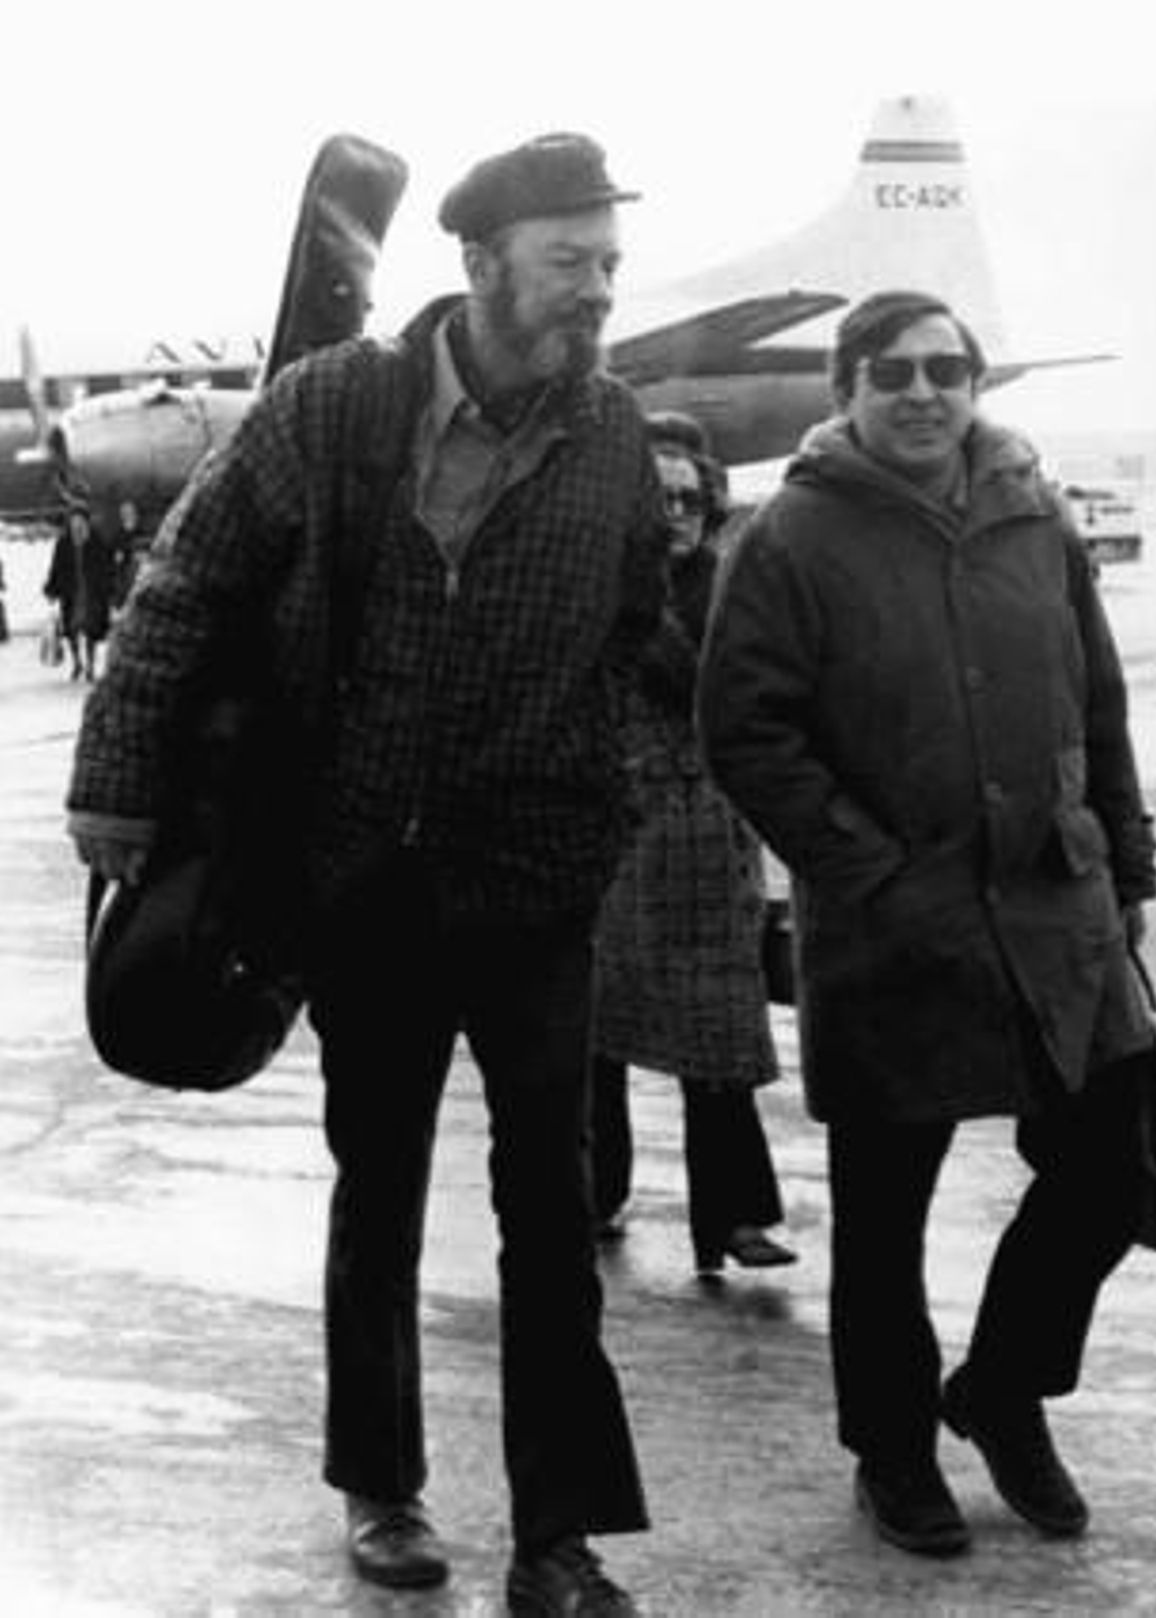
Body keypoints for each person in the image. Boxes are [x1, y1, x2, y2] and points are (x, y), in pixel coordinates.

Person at [66, 132, 666, 1616]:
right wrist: (118, 786)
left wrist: (613, 803)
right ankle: (382, 1488)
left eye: (608, 262)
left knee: (552, 1201)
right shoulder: (333, 408)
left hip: (533, 885)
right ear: (480, 265)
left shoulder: (612, 440)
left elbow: (646, 651)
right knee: (379, 1187)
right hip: (364, 887)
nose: (595, 290)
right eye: (568, 261)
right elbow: (183, 588)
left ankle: (560, 1534)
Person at [698, 290, 1156, 1558]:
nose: (921, 391)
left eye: (945, 369)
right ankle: (893, 1453)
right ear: (846, 386)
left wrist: (1126, 858)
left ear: (975, 383)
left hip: (1056, 911)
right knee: (887, 1213)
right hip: (896, 925)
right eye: (891, 370)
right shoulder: (791, 535)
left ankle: (1003, 1389)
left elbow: (1099, 700)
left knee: (1110, 1169)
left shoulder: (1034, 514)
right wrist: (865, 866)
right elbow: (743, 727)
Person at [590, 412, 796, 1276]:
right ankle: (593, 1192)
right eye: (657, 497)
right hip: (615, 837)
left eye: (688, 498)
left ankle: (737, 1218)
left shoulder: (736, 593)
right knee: (595, 1036)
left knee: (722, 1037)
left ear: (711, 508)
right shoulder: (594, 591)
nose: (675, 512)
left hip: (711, 841)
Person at [43, 502, 114, 680]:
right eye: (73, 520)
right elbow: (56, 567)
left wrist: (109, 588)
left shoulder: (97, 540)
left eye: (79, 519)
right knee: (72, 631)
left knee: (91, 630)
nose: (76, 523)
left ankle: (90, 665)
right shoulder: (64, 543)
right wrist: (51, 589)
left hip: (92, 592)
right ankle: (77, 663)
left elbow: (107, 566)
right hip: (71, 592)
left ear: (86, 521)